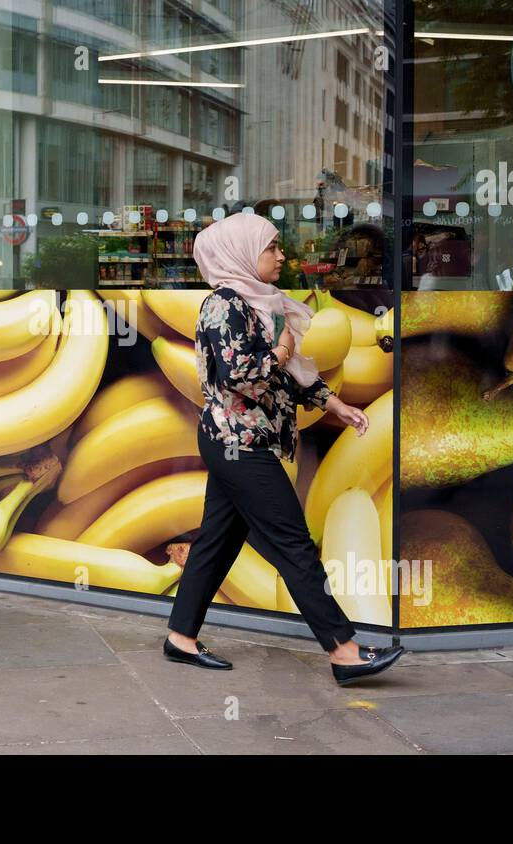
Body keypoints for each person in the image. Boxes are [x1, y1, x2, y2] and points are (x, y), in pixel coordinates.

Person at [164, 212, 405, 686]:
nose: (281, 256)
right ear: (241, 253)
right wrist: (278, 352)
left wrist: (336, 405)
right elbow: (239, 377)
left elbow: (286, 378)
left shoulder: (258, 304)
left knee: (215, 542)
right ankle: (344, 650)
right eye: (271, 247)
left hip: (242, 441)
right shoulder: (223, 306)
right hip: (238, 444)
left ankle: (180, 638)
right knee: (294, 544)